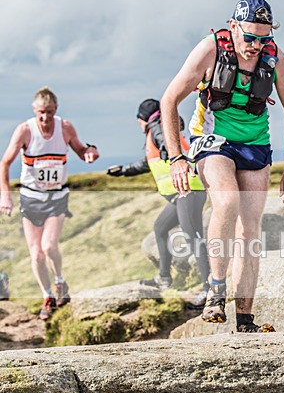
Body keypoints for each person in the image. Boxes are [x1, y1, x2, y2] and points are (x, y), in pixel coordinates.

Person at [161, 0, 284, 332]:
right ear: (234, 26)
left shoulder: (275, 58)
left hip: (255, 144)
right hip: (213, 139)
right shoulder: (210, 49)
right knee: (226, 201)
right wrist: (177, 158)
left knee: (250, 229)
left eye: (263, 39)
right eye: (249, 37)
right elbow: (169, 100)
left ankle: (245, 318)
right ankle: (216, 287)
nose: (255, 46)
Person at [0, 87, 100, 320]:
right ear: (34, 110)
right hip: (31, 198)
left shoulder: (65, 128)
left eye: (50, 112)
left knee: (49, 247)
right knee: (36, 255)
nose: (45, 118)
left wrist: (90, 152)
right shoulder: (25, 130)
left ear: (56, 110)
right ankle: (48, 296)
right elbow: (4, 163)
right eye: (41, 113)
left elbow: (81, 150)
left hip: (56, 197)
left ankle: (60, 282)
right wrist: (5, 195)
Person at [107, 99, 210, 309]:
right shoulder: (155, 131)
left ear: (142, 118)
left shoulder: (158, 128)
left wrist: (168, 150)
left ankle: (209, 288)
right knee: (160, 228)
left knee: (194, 238)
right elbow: (148, 163)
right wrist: (123, 170)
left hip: (188, 190)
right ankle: (164, 278)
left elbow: (167, 144)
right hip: (181, 193)